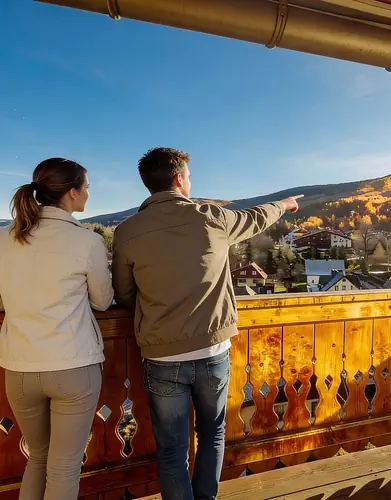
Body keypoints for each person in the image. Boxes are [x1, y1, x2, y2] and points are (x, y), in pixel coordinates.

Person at [112, 147, 302, 500]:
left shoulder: (127, 232)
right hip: (213, 350)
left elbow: (123, 294)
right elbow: (256, 217)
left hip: (163, 355)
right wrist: (284, 204)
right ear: (179, 179)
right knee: (212, 434)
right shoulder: (212, 218)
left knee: (171, 448)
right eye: (188, 176)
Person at [0, 158, 113, 500]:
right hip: (72, 365)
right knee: (64, 467)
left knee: (38, 458)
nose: (88, 194)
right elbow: (103, 301)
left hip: (19, 367)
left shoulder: (5, 238)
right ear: (72, 192)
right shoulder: (86, 241)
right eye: (87, 187)